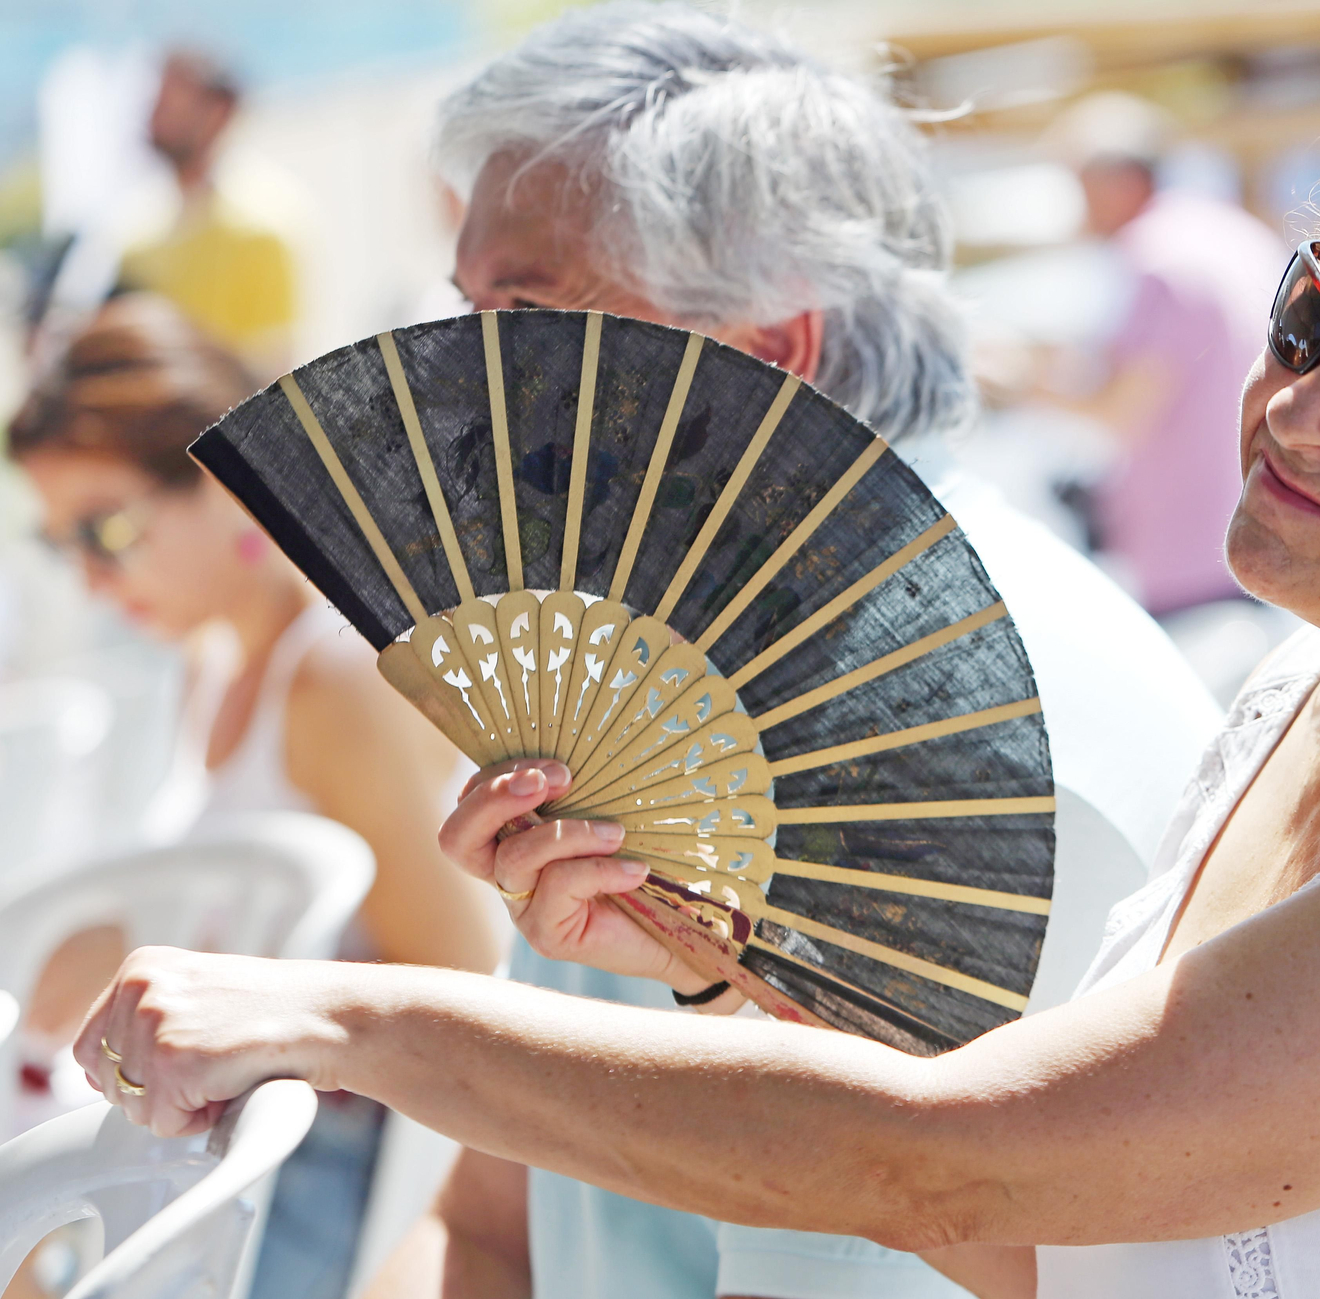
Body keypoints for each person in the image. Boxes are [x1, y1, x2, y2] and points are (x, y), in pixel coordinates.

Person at [77, 80, 1320, 1299]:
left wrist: (337, 1015)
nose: (1299, 406)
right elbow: (1068, 1234)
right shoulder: (1290, 719)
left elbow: (951, 1176)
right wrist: (733, 959)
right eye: (1314, 319)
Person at [387, 6, 1220, 1298]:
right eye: (467, 309)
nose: (457, 381)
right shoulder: (654, 660)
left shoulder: (943, 730)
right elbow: (490, 1217)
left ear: (761, 353)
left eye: (524, 311)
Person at [8, 293, 501, 1299]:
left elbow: (471, 978)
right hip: (224, 1141)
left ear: (224, 485)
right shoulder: (216, 659)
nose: (94, 581)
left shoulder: (328, 678)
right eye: (64, 547)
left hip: (307, 1174)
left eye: (106, 531)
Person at [1032, 92, 1288, 617]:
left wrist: (1020, 386)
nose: (1079, 208)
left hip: (1195, 559)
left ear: (1117, 182)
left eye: (1080, 187)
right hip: (1266, 534)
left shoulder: (1157, 257)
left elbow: (1121, 406)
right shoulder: (1230, 231)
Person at [119, 50, 299, 376]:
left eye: (169, 100)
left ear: (219, 111)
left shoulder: (261, 230)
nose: (154, 114)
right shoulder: (133, 238)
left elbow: (268, 375)